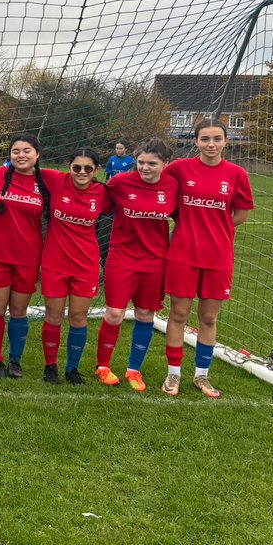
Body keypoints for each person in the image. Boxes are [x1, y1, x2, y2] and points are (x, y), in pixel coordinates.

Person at [162, 119, 254, 398]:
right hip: (183, 254)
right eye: (205, 139)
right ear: (196, 142)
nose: (211, 144)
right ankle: (174, 374)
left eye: (216, 139)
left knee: (208, 317)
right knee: (178, 314)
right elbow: (159, 189)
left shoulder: (237, 174)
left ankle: (201, 376)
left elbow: (240, 215)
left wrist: (217, 230)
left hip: (218, 256)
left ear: (226, 141)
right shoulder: (179, 168)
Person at [99, 138, 178, 391]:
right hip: (122, 257)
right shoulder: (120, 182)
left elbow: (185, 218)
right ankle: (103, 366)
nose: (145, 168)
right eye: (141, 162)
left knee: (145, 315)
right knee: (114, 314)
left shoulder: (173, 186)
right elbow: (94, 201)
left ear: (165, 163)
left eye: (152, 164)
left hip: (155, 260)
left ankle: (134, 370)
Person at [37, 148, 111, 385]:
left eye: (87, 168)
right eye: (76, 167)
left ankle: (72, 369)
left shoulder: (102, 192)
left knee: (79, 317)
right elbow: (25, 165)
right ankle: (51, 366)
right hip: (54, 262)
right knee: (54, 316)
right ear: (69, 167)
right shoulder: (55, 180)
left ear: (96, 170)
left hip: (86, 264)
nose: (82, 172)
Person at [0, 135, 48, 379]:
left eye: (27, 150)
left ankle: (15, 361)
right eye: (16, 151)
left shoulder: (47, 181)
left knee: (19, 311)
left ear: (37, 154)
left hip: (29, 257)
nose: (21, 155)